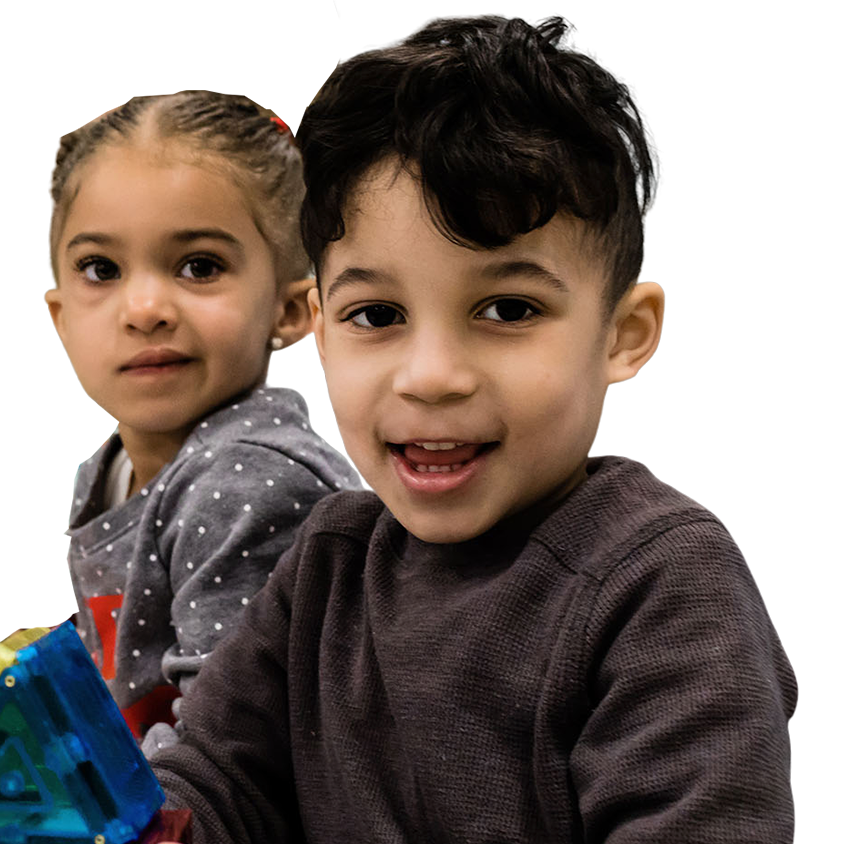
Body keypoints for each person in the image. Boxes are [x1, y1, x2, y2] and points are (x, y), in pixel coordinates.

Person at [144, 12, 798, 843]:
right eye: (376, 314)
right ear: (317, 329)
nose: (431, 376)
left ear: (622, 335)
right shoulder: (330, 563)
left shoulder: (664, 588)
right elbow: (209, 792)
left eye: (506, 308)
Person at [42, 93, 360, 742]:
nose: (145, 308)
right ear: (60, 318)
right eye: (100, 269)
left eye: (199, 266)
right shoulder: (107, 463)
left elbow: (229, 756)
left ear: (289, 311)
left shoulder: (248, 482)